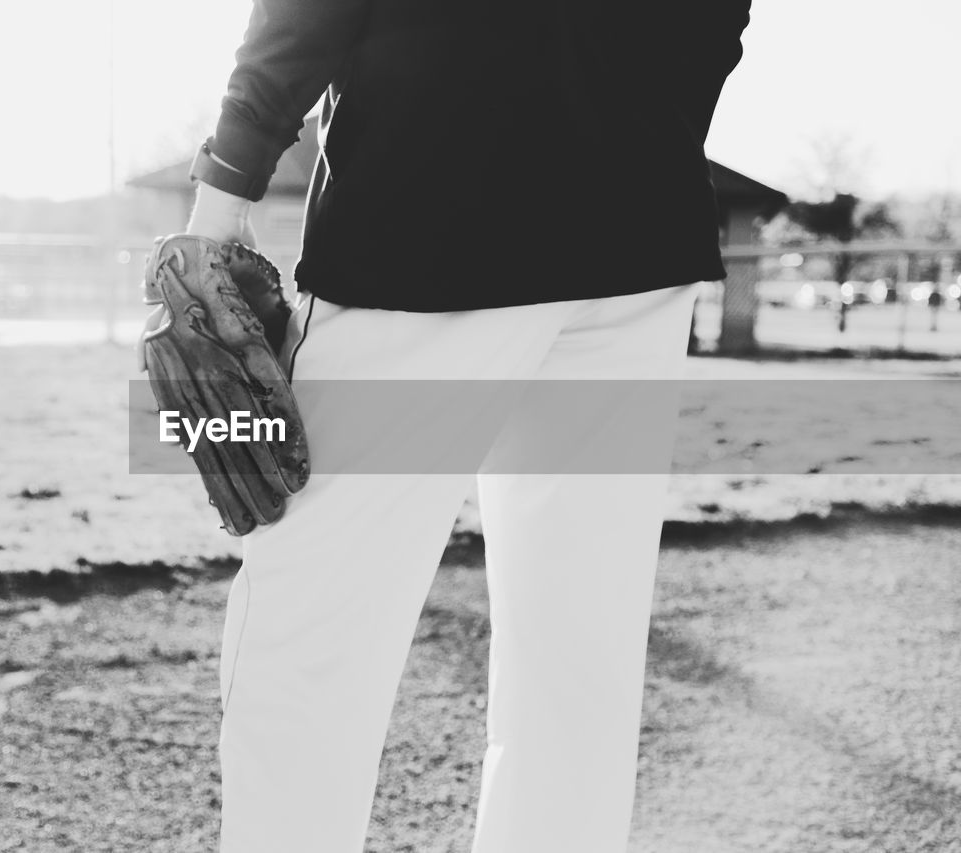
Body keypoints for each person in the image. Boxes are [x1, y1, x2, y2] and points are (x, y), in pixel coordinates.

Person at [180, 2, 752, 850]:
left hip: (426, 212)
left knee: (310, 634)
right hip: (637, 229)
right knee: (576, 655)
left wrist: (224, 189)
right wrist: (643, 114)